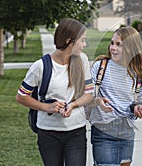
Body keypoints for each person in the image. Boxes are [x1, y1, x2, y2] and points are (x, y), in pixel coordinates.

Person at [16, 18, 94, 166]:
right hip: (48, 133)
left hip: (76, 130)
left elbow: (89, 94)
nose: (84, 45)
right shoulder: (40, 67)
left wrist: (73, 105)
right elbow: (21, 96)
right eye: (82, 41)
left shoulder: (81, 60)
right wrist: (47, 107)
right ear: (69, 41)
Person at [89, 26, 142, 166]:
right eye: (112, 43)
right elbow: (86, 95)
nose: (113, 48)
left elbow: (140, 100)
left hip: (127, 131)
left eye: (118, 45)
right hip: (104, 129)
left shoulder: (137, 74)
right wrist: (97, 101)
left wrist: (139, 107)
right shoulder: (100, 67)